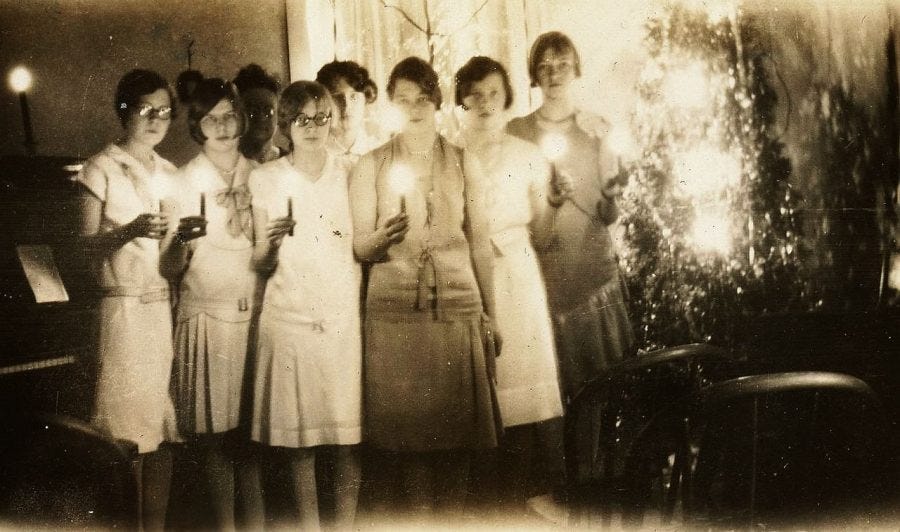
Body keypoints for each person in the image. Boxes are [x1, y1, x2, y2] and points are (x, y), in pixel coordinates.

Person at [349, 56, 502, 519]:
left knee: (456, 438)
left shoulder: (463, 161)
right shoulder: (371, 165)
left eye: (422, 99)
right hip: (395, 311)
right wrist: (381, 239)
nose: (414, 109)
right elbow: (360, 246)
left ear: (436, 102)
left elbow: (480, 243)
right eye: (403, 100)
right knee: (410, 442)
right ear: (391, 106)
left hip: (456, 305)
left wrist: (491, 315)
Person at [507, 32, 636, 485]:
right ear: (533, 76)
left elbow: (608, 213)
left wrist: (614, 192)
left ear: (576, 69)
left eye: (562, 64)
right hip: (538, 276)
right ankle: (555, 486)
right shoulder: (517, 132)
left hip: (590, 274)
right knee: (545, 390)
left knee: (593, 388)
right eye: (544, 66)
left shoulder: (597, 129)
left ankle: (590, 483)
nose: (554, 73)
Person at [248, 80, 362, 530]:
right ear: (286, 124)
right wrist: (272, 244)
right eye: (301, 119)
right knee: (301, 443)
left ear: (331, 121)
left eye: (320, 118)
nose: (312, 128)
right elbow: (260, 262)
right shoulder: (265, 178)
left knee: (345, 438)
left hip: (340, 319)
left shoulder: (350, 171)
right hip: (290, 317)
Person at [455, 55, 564, 508]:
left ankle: (535, 494)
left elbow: (543, 234)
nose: (485, 103)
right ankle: (485, 501)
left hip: (517, 273)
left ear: (506, 99)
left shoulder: (527, 155)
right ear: (462, 101)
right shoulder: (449, 153)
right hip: (466, 272)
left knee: (526, 379)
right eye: (475, 95)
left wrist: (554, 203)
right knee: (480, 386)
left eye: (494, 94)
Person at [75, 69, 180, 531]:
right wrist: (130, 230)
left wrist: (183, 241)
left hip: (160, 314)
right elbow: (82, 250)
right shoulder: (100, 168)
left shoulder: (170, 174)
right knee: (125, 436)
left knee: (161, 435)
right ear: (124, 112)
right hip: (121, 314)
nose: (156, 120)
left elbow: (171, 263)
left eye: (164, 112)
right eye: (145, 110)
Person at [159, 76, 264, 530]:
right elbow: (168, 268)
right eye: (210, 119)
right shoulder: (182, 182)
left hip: (255, 317)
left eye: (229, 117)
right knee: (216, 441)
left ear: (242, 120)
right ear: (197, 127)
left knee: (254, 441)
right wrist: (181, 240)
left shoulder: (261, 174)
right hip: (206, 317)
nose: (222, 127)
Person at [315, 60, 380, 162]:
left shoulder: (379, 152)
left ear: (365, 100)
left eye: (354, 97)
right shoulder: (311, 152)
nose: (347, 105)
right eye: (337, 97)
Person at [233, 64, 283, 163]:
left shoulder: (293, 162)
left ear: (278, 115)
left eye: (268, 111)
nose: (261, 118)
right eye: (253, 111)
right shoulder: (224, 164)